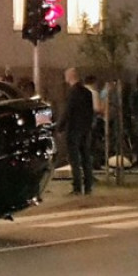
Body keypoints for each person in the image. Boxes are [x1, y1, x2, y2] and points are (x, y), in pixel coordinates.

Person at [57, 68, 94, 196]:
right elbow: (90, 112)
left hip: (73, 129)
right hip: (85, 129)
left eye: (66, 76)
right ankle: (88, 185)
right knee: (86, 157)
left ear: (70, 77)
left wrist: (60, 127)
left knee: (74, 159)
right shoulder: (87, 93)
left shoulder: (72, 93)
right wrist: (89, 126)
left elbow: (68, 111)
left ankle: (77, 187)